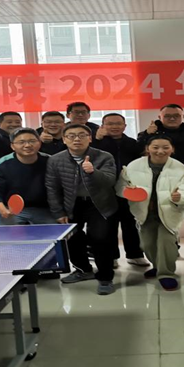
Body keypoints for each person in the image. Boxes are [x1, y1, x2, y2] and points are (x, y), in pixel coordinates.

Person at [45, 124, 119, 295]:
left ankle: (105, 277)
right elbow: (52, 187)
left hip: (100, 204)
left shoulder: (104, 156)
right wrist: (58, 212)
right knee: (73, 238)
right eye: (71, 136)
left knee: (101, 239)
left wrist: (93, 172)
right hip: (71, 204)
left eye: (81, 135)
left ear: (90, 138)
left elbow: (110, 181)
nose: (76, 139)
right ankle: (83, 270)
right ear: (64, 139)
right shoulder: (55, 160)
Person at [137, 104, 184, 265]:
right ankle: (171, 249)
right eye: (167, 115)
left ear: (183, 117)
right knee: (165, 218)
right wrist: (146, 135)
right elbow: (138, 152)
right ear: (160, 117)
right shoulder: (150, 133)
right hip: (159, 183)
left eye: (176, 115)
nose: (172, 118)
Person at [118, 135, 184, 291]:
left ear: (172, 149)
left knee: (166, 242)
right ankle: (158, 266)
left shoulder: (180, 168)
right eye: (155, 147)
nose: (160, 151)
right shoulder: (134, 166)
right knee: (147, 244)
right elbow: (121, 186)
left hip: (169, 211)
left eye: (165, 147)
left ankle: (166, 274)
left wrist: (180, 197)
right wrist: (128, 191)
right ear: (148, 149)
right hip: (144, 212)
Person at [92, 113, 150, 266]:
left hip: (128, 188)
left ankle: (135, 254)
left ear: (125, 126)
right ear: (102, 126)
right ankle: (112, 257)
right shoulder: (96, 143)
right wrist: (96, 140)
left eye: (118, 123)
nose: (115, 127)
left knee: (130, 222)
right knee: (109, 224)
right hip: (105, 189)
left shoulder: (132, 143)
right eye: (110, 124)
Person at [0, 128, 56, 226]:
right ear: (12, 146)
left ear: (40, 143)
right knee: (7, 233)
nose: (27, 145)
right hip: (12, 210)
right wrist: (3, 210)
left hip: (45, 209)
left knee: (56, 234)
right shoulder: (0, 165)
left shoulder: (51, 161)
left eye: (32, 141)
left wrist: (60, 212)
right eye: (21, 142)